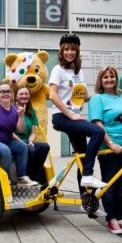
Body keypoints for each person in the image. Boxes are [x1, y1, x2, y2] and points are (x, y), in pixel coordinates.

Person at [49, 33, 106, 195]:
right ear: (61, 51)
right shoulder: (57, 70)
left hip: (74, 117)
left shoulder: (78, 72)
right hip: (61, 117)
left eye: (72, 49)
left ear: (77, 51)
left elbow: (83, 97)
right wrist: (71, 115)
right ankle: (88, 175)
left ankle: (86, 197)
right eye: (66, 49)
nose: (69, 52)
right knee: (98, 132)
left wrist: (106, 95)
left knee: (82, 156)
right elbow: (53, 95)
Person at [88, 66, 122, 234]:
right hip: (111, 148)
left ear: (116, 79)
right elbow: (97, 124)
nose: (109, 79)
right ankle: (112, 218)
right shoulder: (98, 98)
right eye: (105, 77)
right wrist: (110, 143)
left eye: (112, 76)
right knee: (111, 183)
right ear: (100, 81)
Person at [14, 86, 50, 184]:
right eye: (21, 94)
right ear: (16, 96)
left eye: (26, 94)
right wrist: (23, 143)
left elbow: (33, 132)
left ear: (29, 96)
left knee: (44, 147)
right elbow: (10, 132)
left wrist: (30, 141)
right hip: (14, 140)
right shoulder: (12, 110)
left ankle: (35, 177)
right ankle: (29, 176)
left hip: (27, 140)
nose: (24, 96)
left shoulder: (31, 111)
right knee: (31, 150)